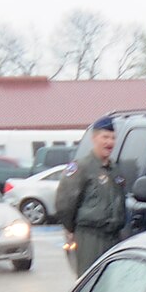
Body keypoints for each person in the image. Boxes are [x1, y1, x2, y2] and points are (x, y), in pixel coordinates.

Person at [54, 115, 127, 275]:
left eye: (113, 138)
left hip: (113, 237)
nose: (110, 143)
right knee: (91, 282)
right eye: (105, 137)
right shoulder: (81, 167)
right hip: (90, 237)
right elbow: (65, 203)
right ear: (94, 138)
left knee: (112, 282)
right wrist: (71, 229)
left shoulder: (116, 170)